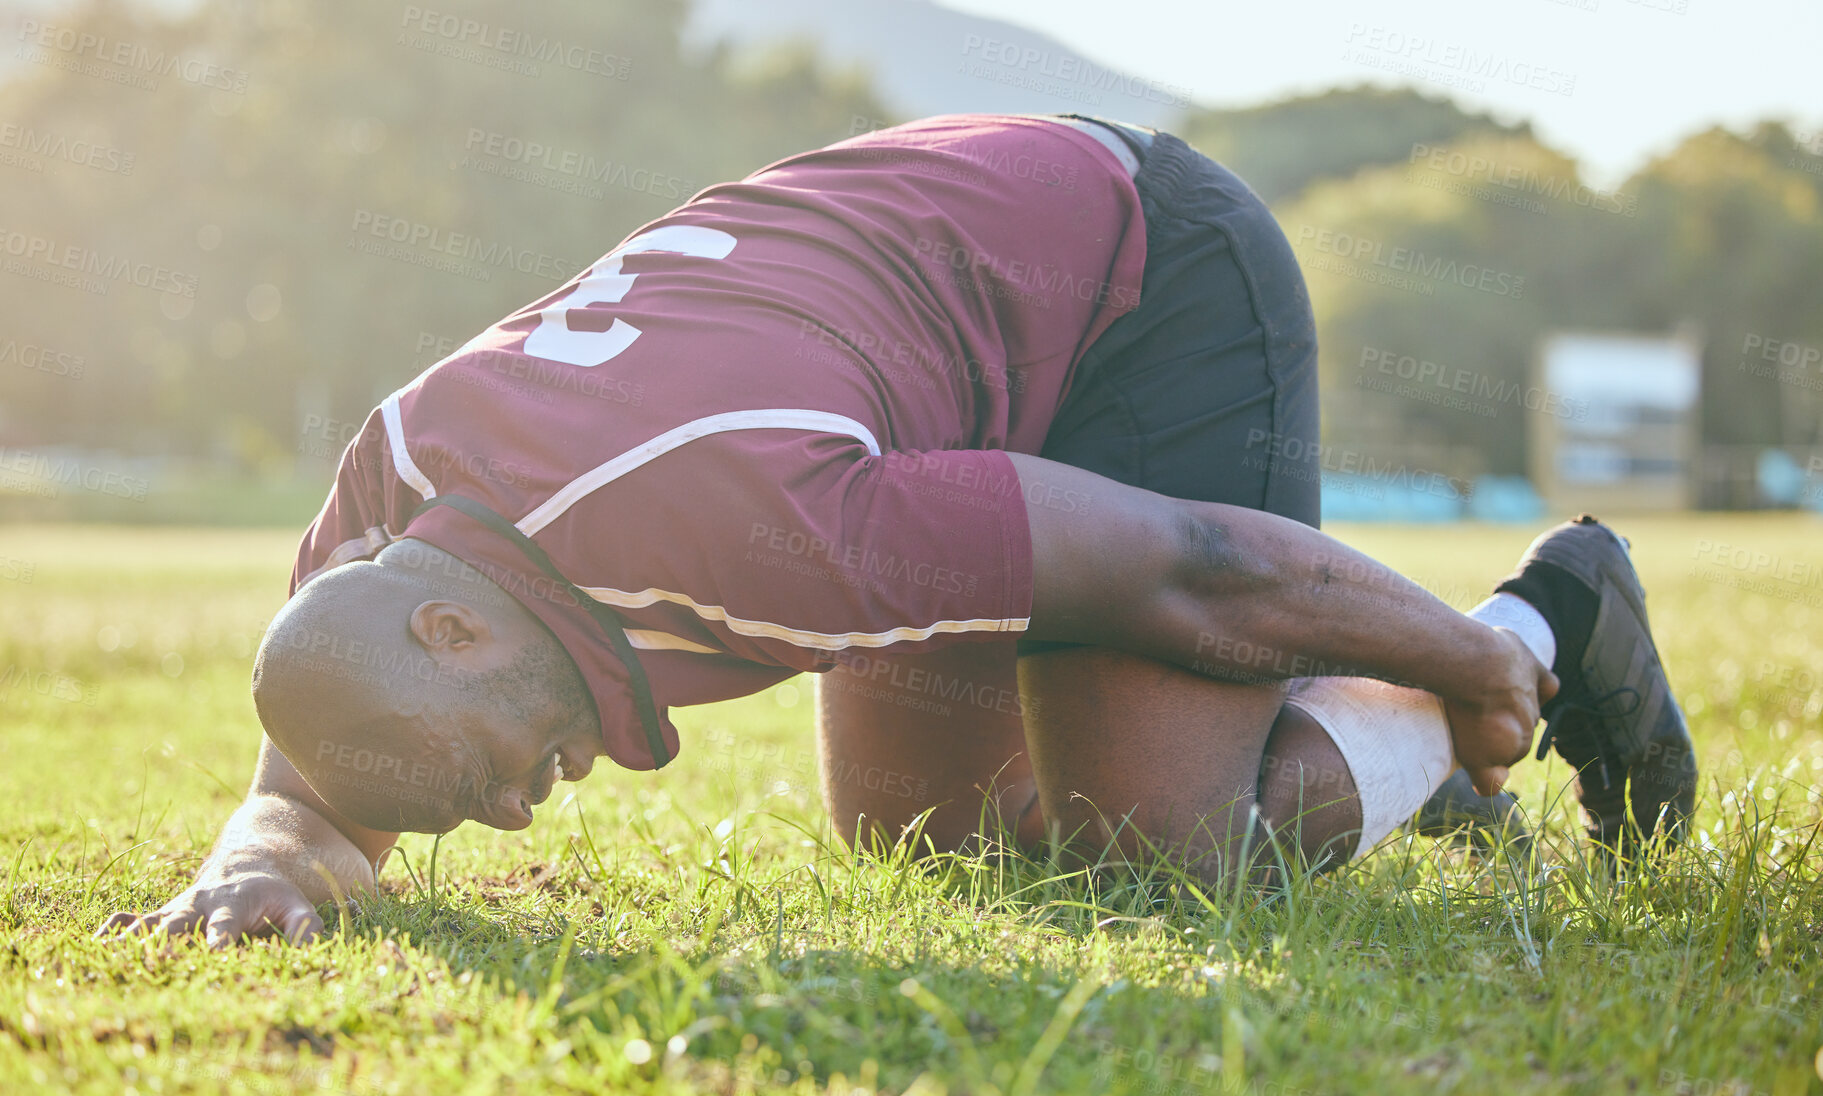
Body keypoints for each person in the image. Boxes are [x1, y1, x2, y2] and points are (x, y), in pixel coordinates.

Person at [96, 115, 1696, 947]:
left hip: (1140, 275)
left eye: (468, 785)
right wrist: (269, 866)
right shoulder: (385, 527)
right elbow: (299, 794)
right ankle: (1371, 758)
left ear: (453, 627)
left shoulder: (748, 521)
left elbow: (1189, 566)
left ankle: (1559, 608)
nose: (510, 822)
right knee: (935, 844)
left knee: (1162, 856)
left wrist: (1475, 668)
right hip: (922, 344)